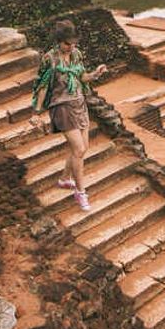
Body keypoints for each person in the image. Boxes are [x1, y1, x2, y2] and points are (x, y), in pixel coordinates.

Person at [30, 20, 107, 211]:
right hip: (61, 106)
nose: (71, 46)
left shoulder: (76, 55)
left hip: (79, 103)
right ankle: (80, 192)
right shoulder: (50, 59)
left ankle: (65, 179)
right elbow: (43, 86)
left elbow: (82, 77)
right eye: (67, 43)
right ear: (59, 41)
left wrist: (95, 74)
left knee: (82, 148)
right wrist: (37, 112)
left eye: (73, 43)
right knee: (79, 150)